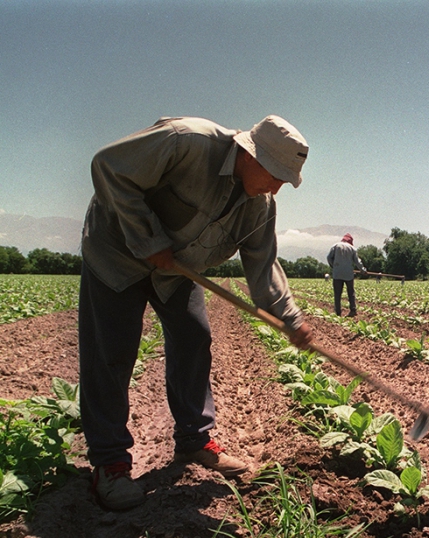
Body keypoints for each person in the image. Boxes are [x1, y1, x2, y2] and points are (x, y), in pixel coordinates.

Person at [79, 114, 313, 510]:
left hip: (175, 271)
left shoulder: (259, 204)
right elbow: (108, 166)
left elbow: (262, 264)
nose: (276, 186)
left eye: (285, 180)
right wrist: (147, 236)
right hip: (116, 257)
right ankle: (110, 463)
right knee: (112, 353)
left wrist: (291, 319)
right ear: (248, 154)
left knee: (193, 338)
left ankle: (194, 439)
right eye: (274, 174)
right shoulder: (185, 141)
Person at [327, 233, 365, 316]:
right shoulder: (352, 249)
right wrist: (362, 270)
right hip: (348, 274)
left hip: (337, 274)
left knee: (337, 293)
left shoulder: (335, 246)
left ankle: (338, 312)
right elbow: (357, 261)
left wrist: (334, 266)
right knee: (351, 292)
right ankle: (353, 310)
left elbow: (329, 257)